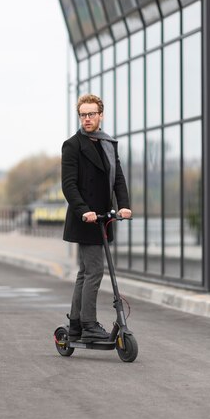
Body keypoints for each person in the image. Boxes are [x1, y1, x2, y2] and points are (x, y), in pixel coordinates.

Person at [61, 93, 131, 342]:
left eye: (91, 114)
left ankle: (76, 325)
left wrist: (124, 205)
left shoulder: (108, 144)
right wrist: (83, 210)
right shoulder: (72, 145)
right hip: (85, 217)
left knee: (85, 272)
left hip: (103, 216)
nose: (87, 119)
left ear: (101, 115)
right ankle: (88, 324)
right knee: (94, 271)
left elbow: (118, 178)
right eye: (83, 115)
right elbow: (69, 185)